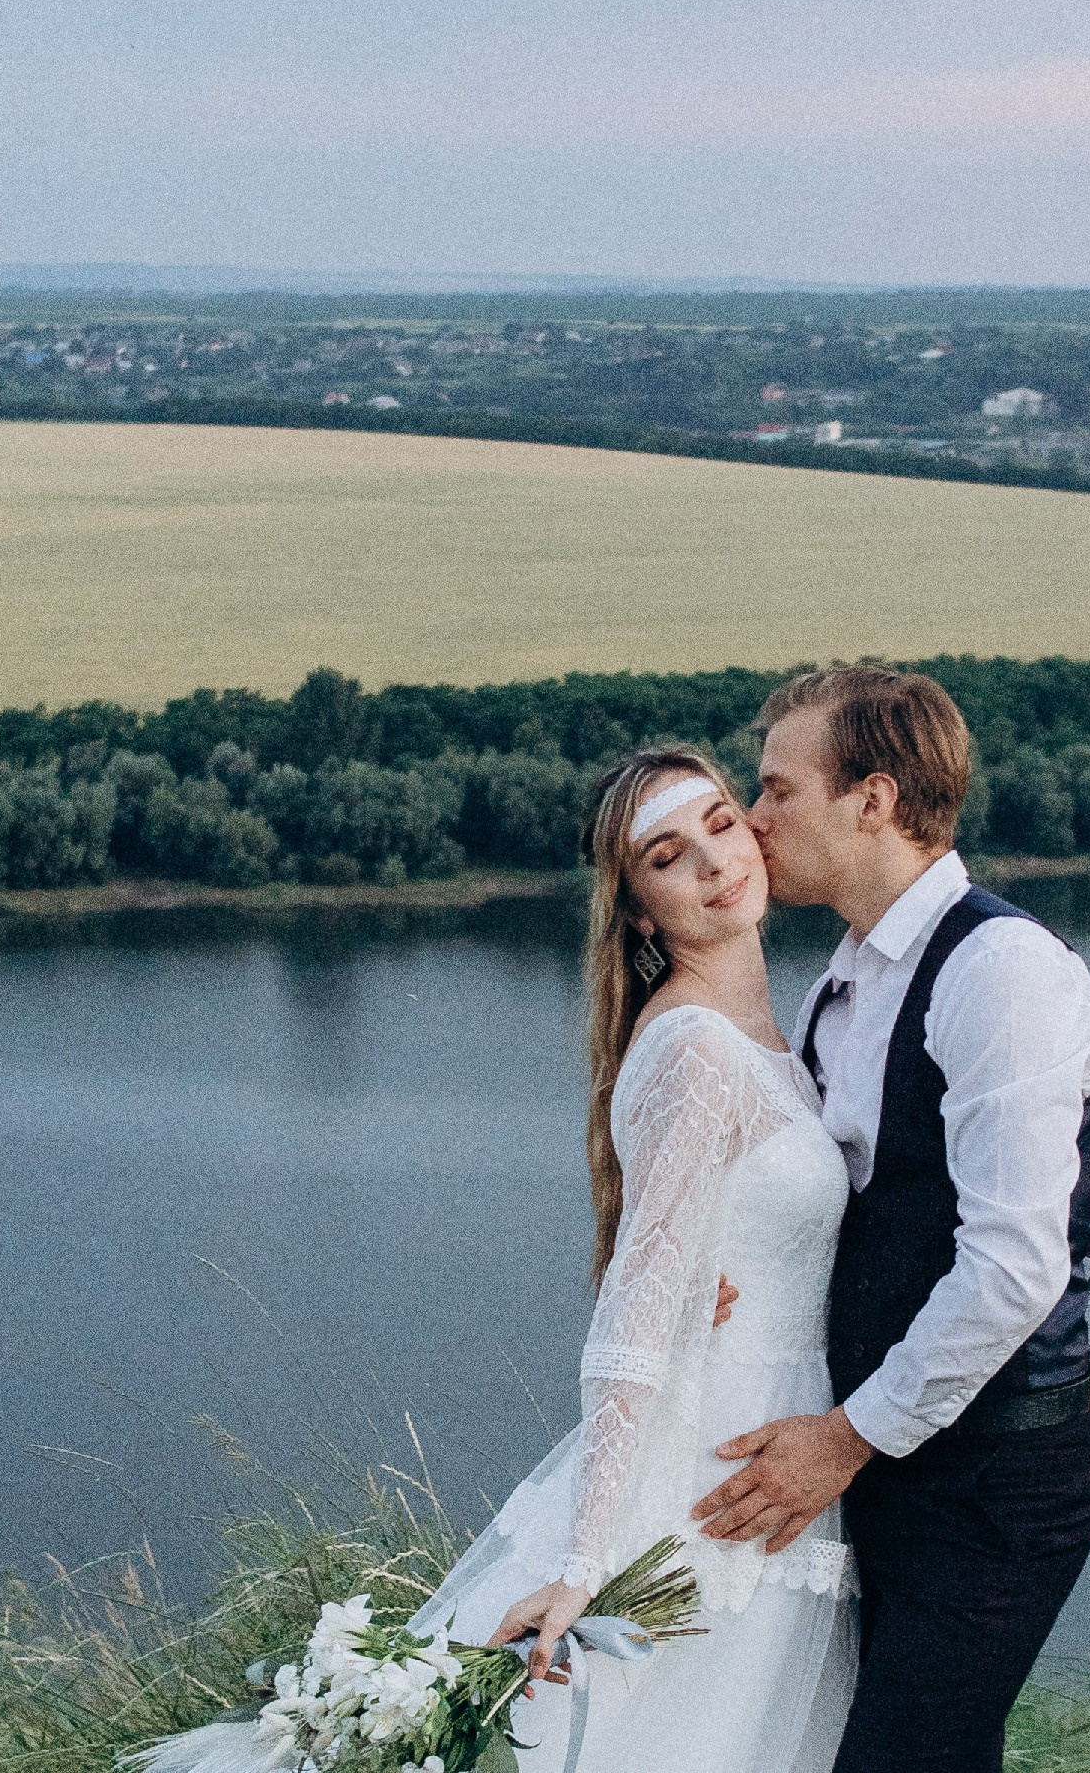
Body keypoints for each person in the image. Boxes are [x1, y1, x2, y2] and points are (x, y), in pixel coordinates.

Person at [135, 746, 859, 1773]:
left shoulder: (771, 1040)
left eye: (717, 823)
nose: (711, 862)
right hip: (705, 1482)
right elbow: (631, 1324)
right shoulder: (696, 1049)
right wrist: (585, 1561)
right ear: (639, 911)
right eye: (666, 855)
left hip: (767, 1459)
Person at [691, 665, 1090, 1773]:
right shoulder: (848, 979)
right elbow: (851, 1209)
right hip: (896, 1463)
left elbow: (1013, 1271)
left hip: (995, 1483)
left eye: (777, 789)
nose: (752, 816)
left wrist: (836, 1442)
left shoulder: (1001, 972)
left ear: (871, 800)